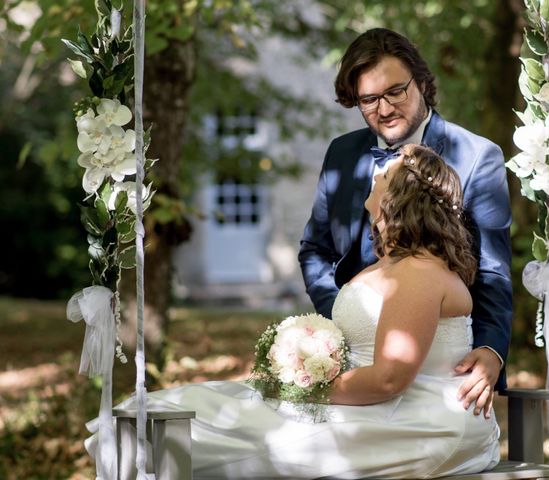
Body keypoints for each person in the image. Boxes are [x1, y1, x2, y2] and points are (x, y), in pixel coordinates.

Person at [97, 145, 500, 478]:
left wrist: (298, 390)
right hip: (366, 408)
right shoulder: (394, 264)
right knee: (161, 412)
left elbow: (389, 379)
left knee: (182, 427)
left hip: (412, 423)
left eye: (386, 172)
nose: (376, 174)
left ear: (401, 194)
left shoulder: (417, 272)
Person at [298, 28, 512, 414]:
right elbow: (315, 250)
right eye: (368, 100)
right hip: (352, 365)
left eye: (396, 91)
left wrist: (491, 349)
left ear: (422, 83)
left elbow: (493, 270)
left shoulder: (478, 156)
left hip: (438, 375)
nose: (383, 109)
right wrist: (344, 321)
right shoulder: (341, 153)